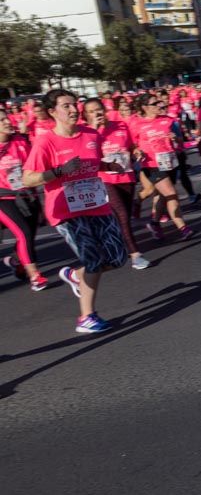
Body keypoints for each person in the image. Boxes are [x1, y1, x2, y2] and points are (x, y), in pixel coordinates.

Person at [22, 89, 128, 333]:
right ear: (52, 112)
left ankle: (74, 275)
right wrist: (60, 171)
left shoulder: (91, 134)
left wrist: (108, 165)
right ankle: (87, 317)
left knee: (118, 257)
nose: (73, 110)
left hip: (96, 205)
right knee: (93, 259)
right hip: (66, 211)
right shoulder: (45, 142)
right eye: (66, 106)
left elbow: (92, 161)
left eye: (74, 104)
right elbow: (28, 179)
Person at [83, 99, 151, 270]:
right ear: (86, 115)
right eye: (91, 111)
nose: (97, 113)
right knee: (121, 214)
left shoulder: (120, 125)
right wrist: (96, 129)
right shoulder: (87, 133)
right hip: (104, 179)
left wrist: (136, 152)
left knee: (124, 216)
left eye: (99, 109)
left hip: (126, 176)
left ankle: (112, 244)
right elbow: (87, 155)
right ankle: (135, 254)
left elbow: (130, 146)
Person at [128, 93, 194, 241]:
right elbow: (132, 145)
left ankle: (154, 223)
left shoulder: (168, 120)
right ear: (144, 107)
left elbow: (180, 141)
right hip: (151, 164)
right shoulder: (136, 124)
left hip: (170, 162)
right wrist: (136, 151)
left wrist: (175, 138)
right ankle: (183, 227)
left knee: (162, 195)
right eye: (154, 103)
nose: (159, 105)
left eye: (159, 102)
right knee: (171, 192)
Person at [0, 109, 48, 290]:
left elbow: (33, 167)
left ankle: (16, 261)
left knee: (30, 235)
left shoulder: (20, 140)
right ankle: (35, 276)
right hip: (3, 197)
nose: (8, 122)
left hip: (27, 194)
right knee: (23, 233)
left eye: (7, 118)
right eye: (2, 120)